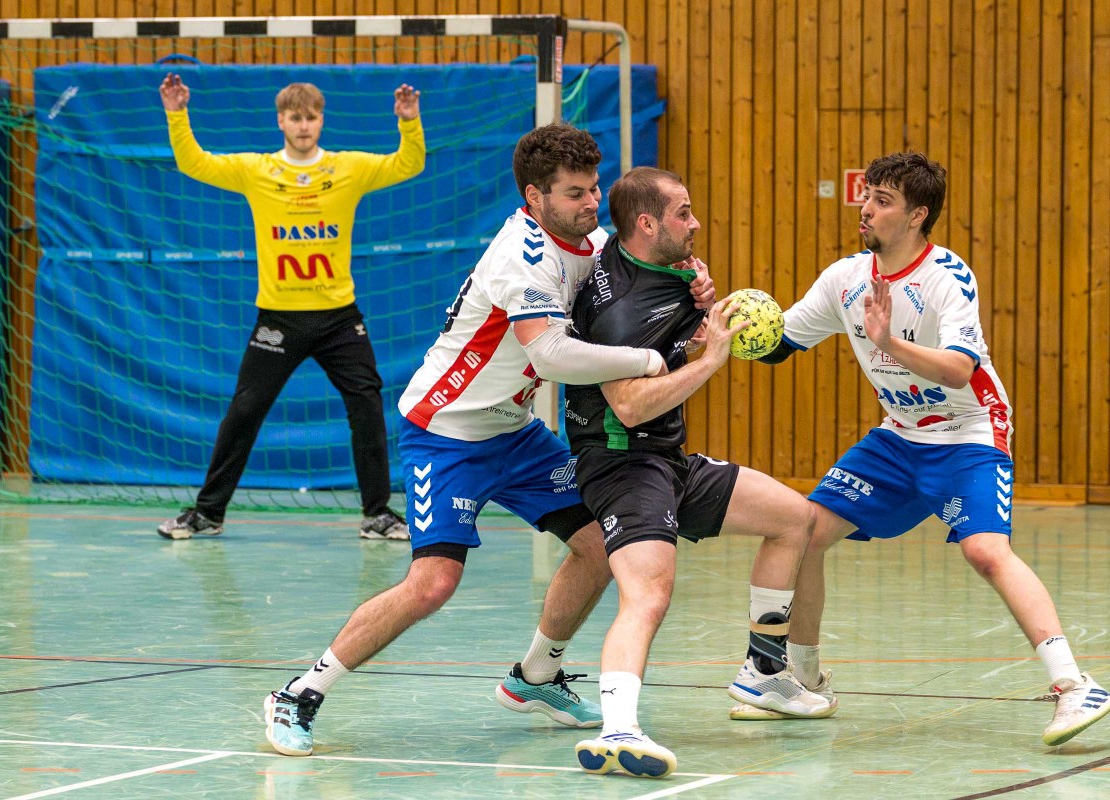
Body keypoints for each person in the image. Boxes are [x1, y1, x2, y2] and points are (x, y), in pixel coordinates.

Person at [261, 124, 717, 757]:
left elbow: (647, 267)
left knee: (597, 544)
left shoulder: (592, 241)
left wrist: (690, 282)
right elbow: (551, 356)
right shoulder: (521, 258)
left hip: (515, 431)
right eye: (575, 193)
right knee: (433, 583)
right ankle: (299, 693)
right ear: (535, 196)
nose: (592, 203)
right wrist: (650, 362)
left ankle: (536, 675)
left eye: (594, 188)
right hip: (446, 433)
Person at [757, 151, 1108, 746]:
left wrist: (888, 342)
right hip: (899, 435)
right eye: (867, 197)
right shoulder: (844, 278)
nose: (866, 209)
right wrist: (717, 315)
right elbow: (777, 345)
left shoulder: (946, 276)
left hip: (969, 428)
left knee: (985, 551)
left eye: (883, 201)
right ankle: (804, 678)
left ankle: (1075, 685)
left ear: (918, 215)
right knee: (803, 532)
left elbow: (958, 368)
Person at [563, 167, 835, 780]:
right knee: (648, 593)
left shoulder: (651, 263)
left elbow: (668, 330)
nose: (696, 223)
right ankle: (617, 730)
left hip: (667, 459)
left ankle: (764, 672)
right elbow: (629, 405)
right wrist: (711, 357)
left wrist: (700, 301)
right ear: (647, 223)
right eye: (683, 213)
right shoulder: (621, 311)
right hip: (623, 464)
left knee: (794, 518)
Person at [155, 73, 426, 541]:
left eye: (311, 117)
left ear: (322, 121)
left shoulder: (348, 168)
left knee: (366, 404)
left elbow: (409, 164)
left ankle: (377, 514)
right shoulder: (257, 170)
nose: (304, 125)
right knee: (245, 410)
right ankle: (208, 513)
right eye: (295, 117)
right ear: (281, 121)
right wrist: (177, 114)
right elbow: (194, 162)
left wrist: (409, 122)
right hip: (278, 318)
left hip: (339, 317)